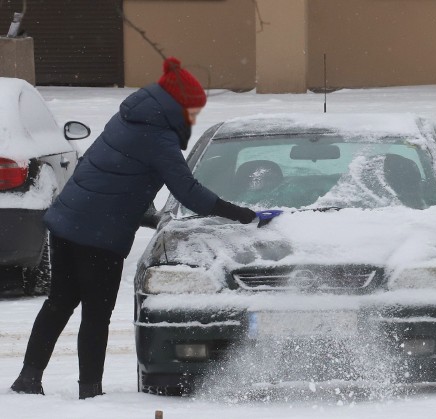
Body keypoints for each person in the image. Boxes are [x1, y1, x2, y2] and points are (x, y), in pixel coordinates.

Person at [10, 57, 256, 399]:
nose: (193, 117)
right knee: (96, 315)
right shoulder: (159, 137)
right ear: (178, 105)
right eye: (191, 109)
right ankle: (90, 393)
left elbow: (112, 176)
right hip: (99, 236)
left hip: (67, 222)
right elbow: (188, 191)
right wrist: (238, 213)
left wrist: (145, 214)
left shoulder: (130, 117)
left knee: (59, 302)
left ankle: (28, 378)